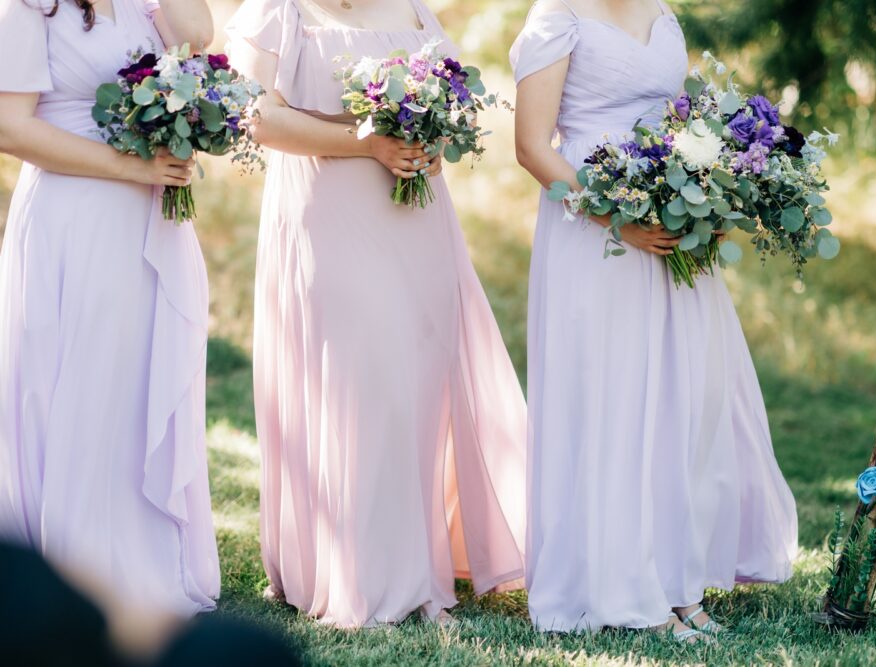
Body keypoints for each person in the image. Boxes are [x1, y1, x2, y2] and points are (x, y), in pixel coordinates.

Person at [226, 0, 528, 628]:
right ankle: (370, 575)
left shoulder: (414, 8)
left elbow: (445, 105)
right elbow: (257, 115)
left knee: (415, 384)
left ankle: (420, 565)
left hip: (416, 216)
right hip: (328, 213)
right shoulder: (280, 9)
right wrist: (370, 142)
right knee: (363, 381)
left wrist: (431, 144)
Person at [510, 0, 799, 640]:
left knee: (683, 398)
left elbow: (677, 120)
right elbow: (532, 147)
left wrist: (714, 189)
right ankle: (617, 579)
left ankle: (679, 583)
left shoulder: (663, 14)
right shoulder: (558, 18)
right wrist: (616, 218)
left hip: (674, 227)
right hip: (596, 228)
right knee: (615, 396)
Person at [0, 0, 220, 618]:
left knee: (137, 379)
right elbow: (11, 128)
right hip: (77, 216)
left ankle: (148, 557)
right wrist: (131, 166)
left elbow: (199, 38)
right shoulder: (28, 6)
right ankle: (77, 570)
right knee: (84, 385)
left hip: (149, 210)